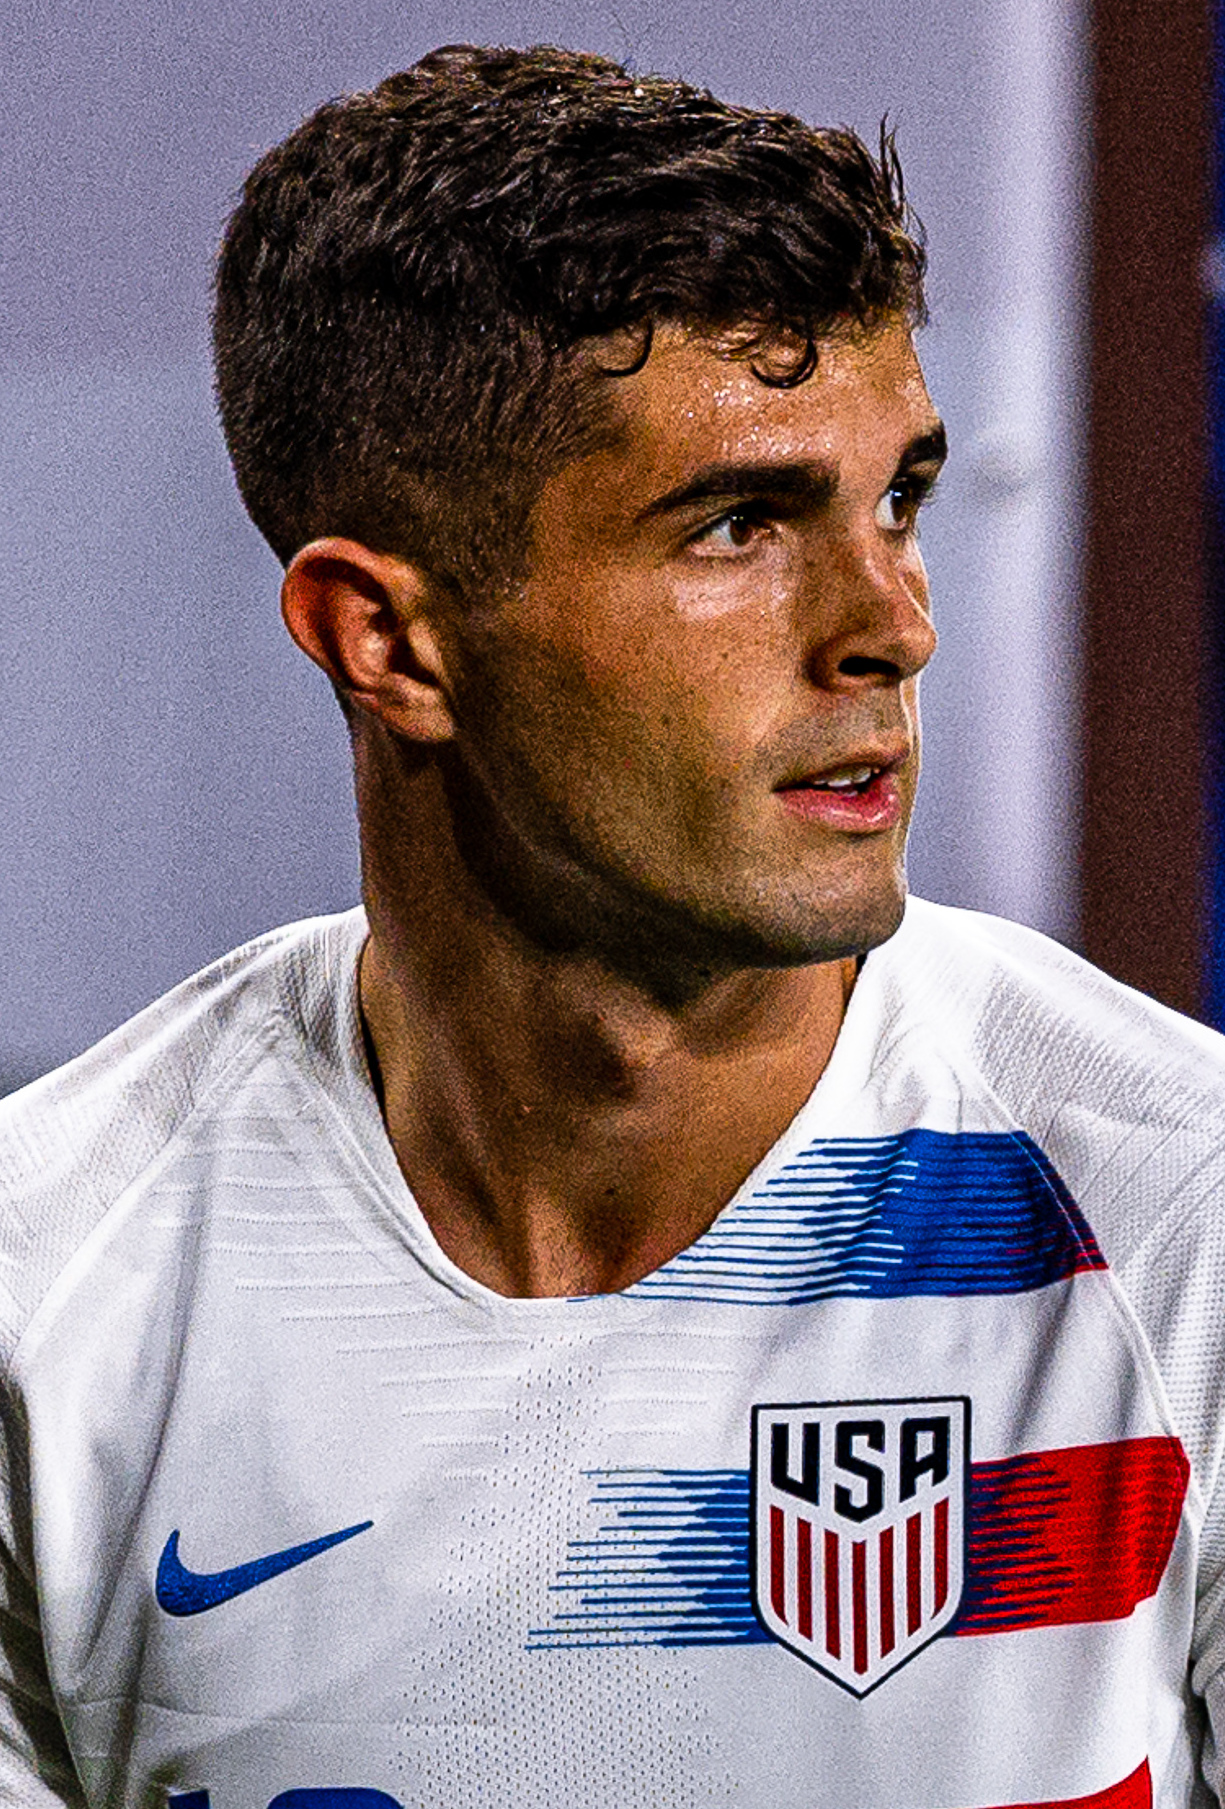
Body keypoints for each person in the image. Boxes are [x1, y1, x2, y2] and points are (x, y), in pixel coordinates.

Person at [1, 40, 1222, 1809]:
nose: (889, 624)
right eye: (736, 525)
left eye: (896, 498)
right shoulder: (48, 1284)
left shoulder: (1182, 1214)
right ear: (385, 640)